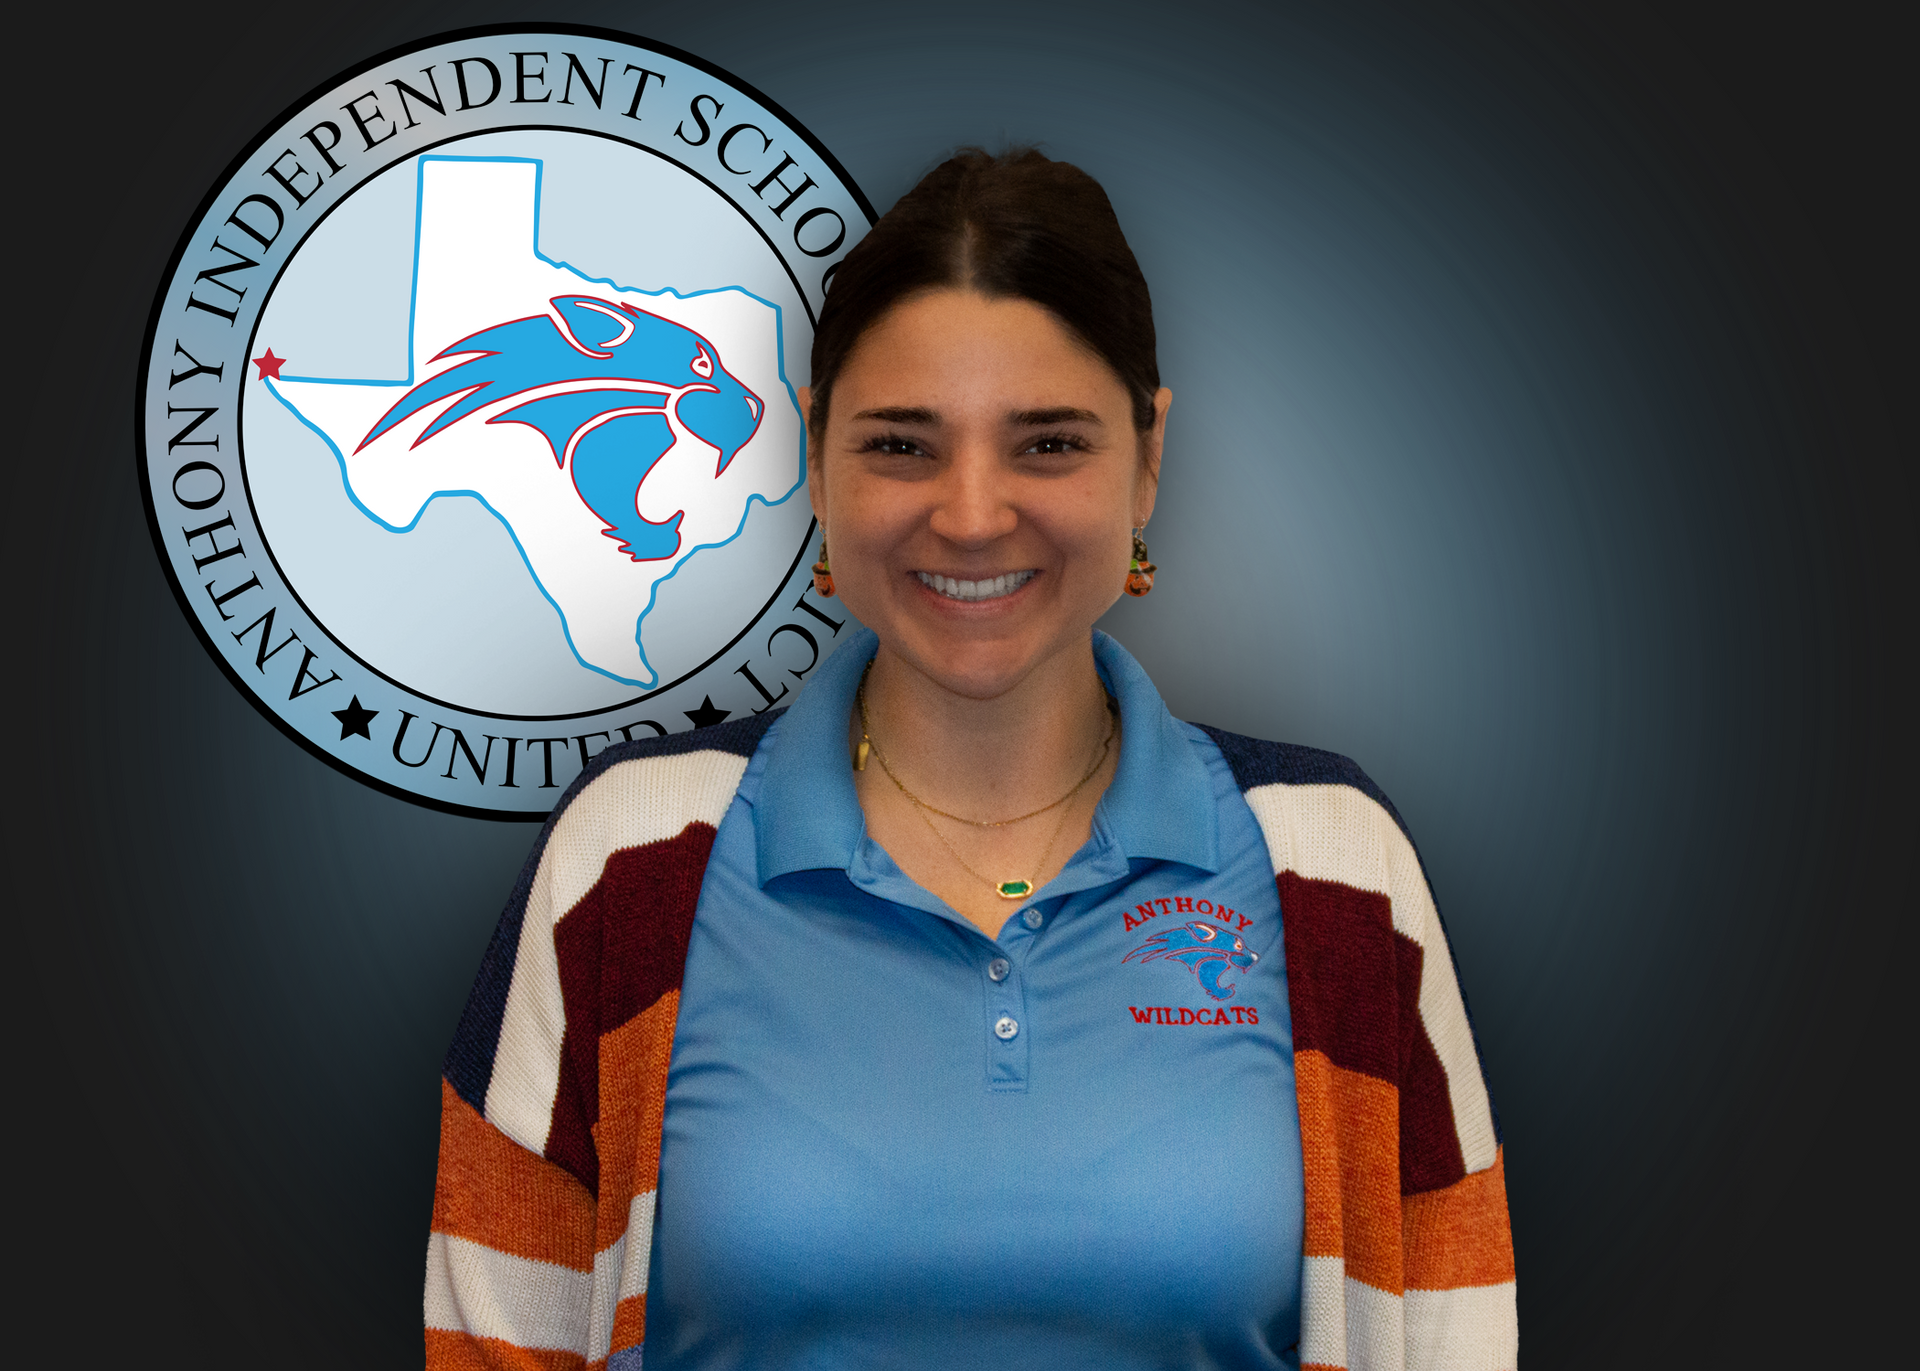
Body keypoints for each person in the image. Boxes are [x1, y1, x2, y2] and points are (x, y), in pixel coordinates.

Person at [424, 148, 1516, 1371]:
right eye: (903, 446)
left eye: (1049, 444)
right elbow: (491, 1344)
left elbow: (1453, 1330)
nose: (974, 513)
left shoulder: (1335, 870)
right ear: (819, 456)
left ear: (1150, 454)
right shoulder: (630, 858)